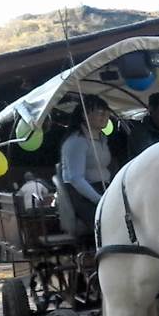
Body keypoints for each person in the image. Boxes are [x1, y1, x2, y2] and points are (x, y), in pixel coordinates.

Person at [60, 95, 111, 230]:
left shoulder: (103, 139)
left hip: (104, 188)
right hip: (83, 196)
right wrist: (99, 200)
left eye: (107, 113)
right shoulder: (76, 141)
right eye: (99, 113)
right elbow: (75, 179)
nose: (104, 116)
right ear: (84, 115)